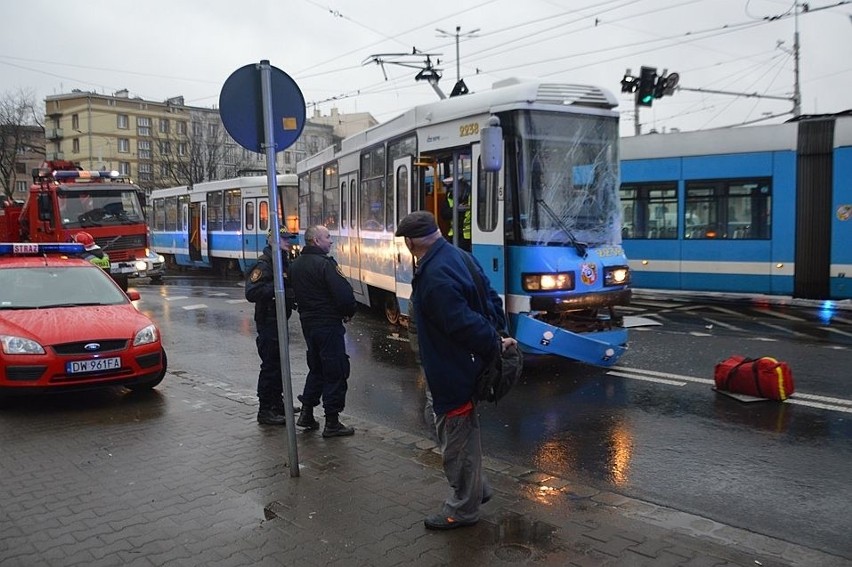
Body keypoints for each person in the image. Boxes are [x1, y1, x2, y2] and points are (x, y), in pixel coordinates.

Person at [395, 210, 516, 530]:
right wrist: (499, 332)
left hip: (452, 369)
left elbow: (461, 323)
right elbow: (491, 297)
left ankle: (463, 508)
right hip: (464, 365)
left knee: (455, 435)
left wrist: (492, 341)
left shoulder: (433, 274)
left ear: (410, 242)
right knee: (459, 430)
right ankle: (476, 488)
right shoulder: (459, 256)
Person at [289, 225, 358, 438]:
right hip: (328, 324)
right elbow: (344, 295)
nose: (331, 241)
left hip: (308, 324)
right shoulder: (325, 265)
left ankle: (307, 413)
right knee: (335, 369)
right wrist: (347, 312)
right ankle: (332, 422)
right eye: (327, 237)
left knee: (317, 368)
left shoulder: (296, 265)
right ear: (316, 241)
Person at [245, 227, 297, 425]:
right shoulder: (264, 264)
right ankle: (265, 409)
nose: (288, 242)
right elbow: (252, 293)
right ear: (272, 241)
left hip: (279, 319)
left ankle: (277, 403)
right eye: (283, 239)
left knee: (280, 363)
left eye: (288, 238)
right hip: (268, 321)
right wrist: (279, 290)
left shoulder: (282, 260)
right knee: (270, 366)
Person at [439, 177, 472, 251]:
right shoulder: (449, 197)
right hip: (454, 234)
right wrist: (457, 209)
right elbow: (444, 214)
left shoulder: (472, 197)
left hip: (468, 236)